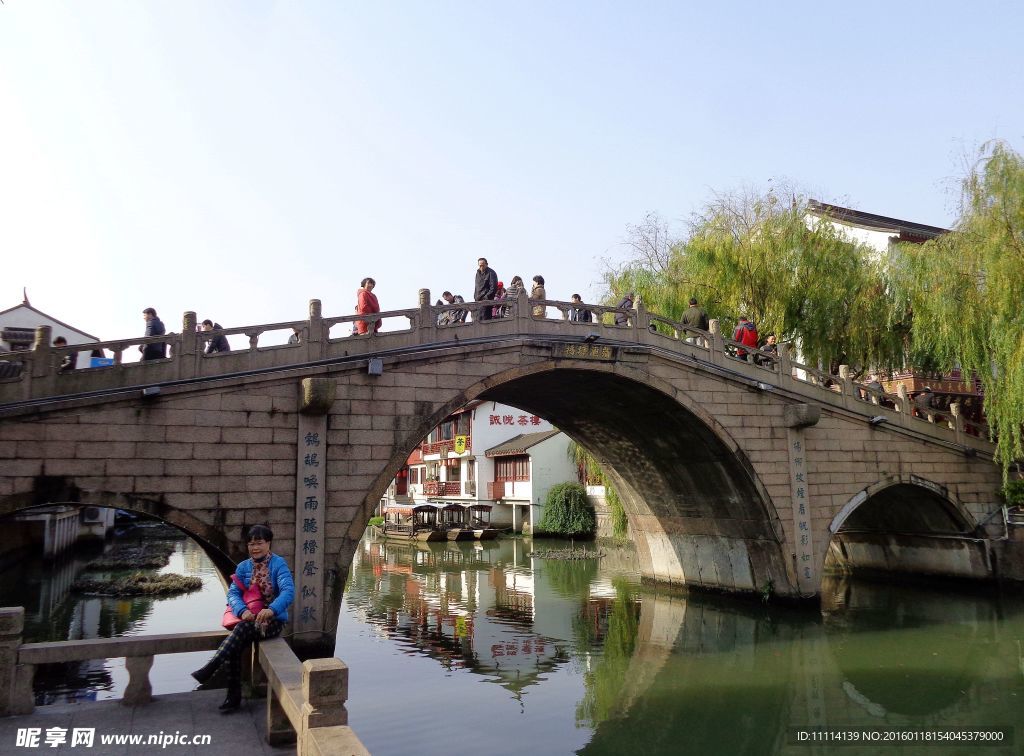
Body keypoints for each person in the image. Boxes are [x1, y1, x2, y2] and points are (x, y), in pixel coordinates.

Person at [191, 525, 294, 714]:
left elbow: (288, 591)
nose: (255, 548)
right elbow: (233, 595)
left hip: (272, 622)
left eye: (259, 543)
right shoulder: (243, 567)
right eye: (251, 544)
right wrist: (242, 610)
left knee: (241, 632)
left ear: (268, 543)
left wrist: (271, 610)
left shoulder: (278, 564)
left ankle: (214, 669)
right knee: (236, 643)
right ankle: (233, 695)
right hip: (248, 620)